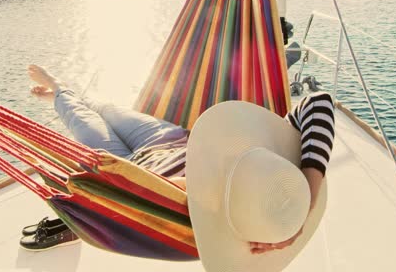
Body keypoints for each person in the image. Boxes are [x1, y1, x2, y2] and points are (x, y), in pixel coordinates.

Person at [19, 64, 335, 257]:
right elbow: (318, 102)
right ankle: (69, 96)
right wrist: (305, 199)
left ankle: (61, 89)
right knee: (107, 108)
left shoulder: (211, 218)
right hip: (170, 138)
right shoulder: (278, 180)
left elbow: (142, 199)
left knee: (80, 118)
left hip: (127, 165)